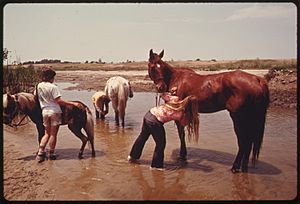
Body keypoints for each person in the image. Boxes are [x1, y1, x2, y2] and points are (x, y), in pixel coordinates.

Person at [128, 87, 199, 170]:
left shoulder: (175, 99)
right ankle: (156, 166)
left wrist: (170, 92)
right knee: (161, 144)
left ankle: (133, 157)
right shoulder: (183, 114)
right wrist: (192, 118)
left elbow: (163, 95)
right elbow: (183, 123)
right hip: (155, 121)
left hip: (149, 114)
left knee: (143, 137)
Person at [35, 67, 81, 163]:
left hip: (44, 112)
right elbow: (58, 101)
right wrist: (73, 104)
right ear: (51, 77)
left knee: (46, 133)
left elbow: (36, 97)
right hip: (54, 112)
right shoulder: (53, 87)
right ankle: (51, 154)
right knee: (53, 134)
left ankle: (40, 152)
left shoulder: (38, 86)